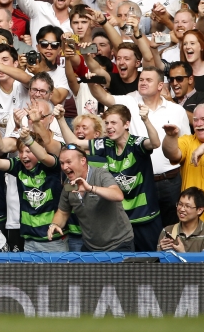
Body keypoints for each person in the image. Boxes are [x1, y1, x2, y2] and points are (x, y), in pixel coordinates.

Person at [59, 102, 164, 251]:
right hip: (121, 220)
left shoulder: (136, 143)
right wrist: (60, 119)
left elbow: (155, 143)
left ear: (126, 124)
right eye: (106, 123)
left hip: (144, 216)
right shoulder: (106, 144)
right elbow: (75, 144)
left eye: (113, 123)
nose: (108, 127)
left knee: (150, 261)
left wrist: (146, 120)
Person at [0, 127, 67, 252]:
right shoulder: (19, 165)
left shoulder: (50, 165)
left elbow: (43, 157)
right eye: (21, 152)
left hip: (53, 238)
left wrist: (28, 140)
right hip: (29, 239)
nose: (23, 156)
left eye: (28, 151)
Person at [47, 145, 134, 252]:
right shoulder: (69, 185)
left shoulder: (101, 174)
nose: (64, 167)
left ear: (83, 161)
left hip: (119, 243)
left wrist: (91, 188)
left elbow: (118, 195)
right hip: (91, 247)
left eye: (69, 162)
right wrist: (54, 224)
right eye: (62, 163)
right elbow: (63, 212)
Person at [167, 61, 204, 125]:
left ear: (190, 79)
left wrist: (173, 105)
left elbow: (202, 123)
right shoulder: (169, 102)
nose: (174, 83)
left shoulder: (203, 97)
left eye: (179, 78)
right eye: (171, 79)